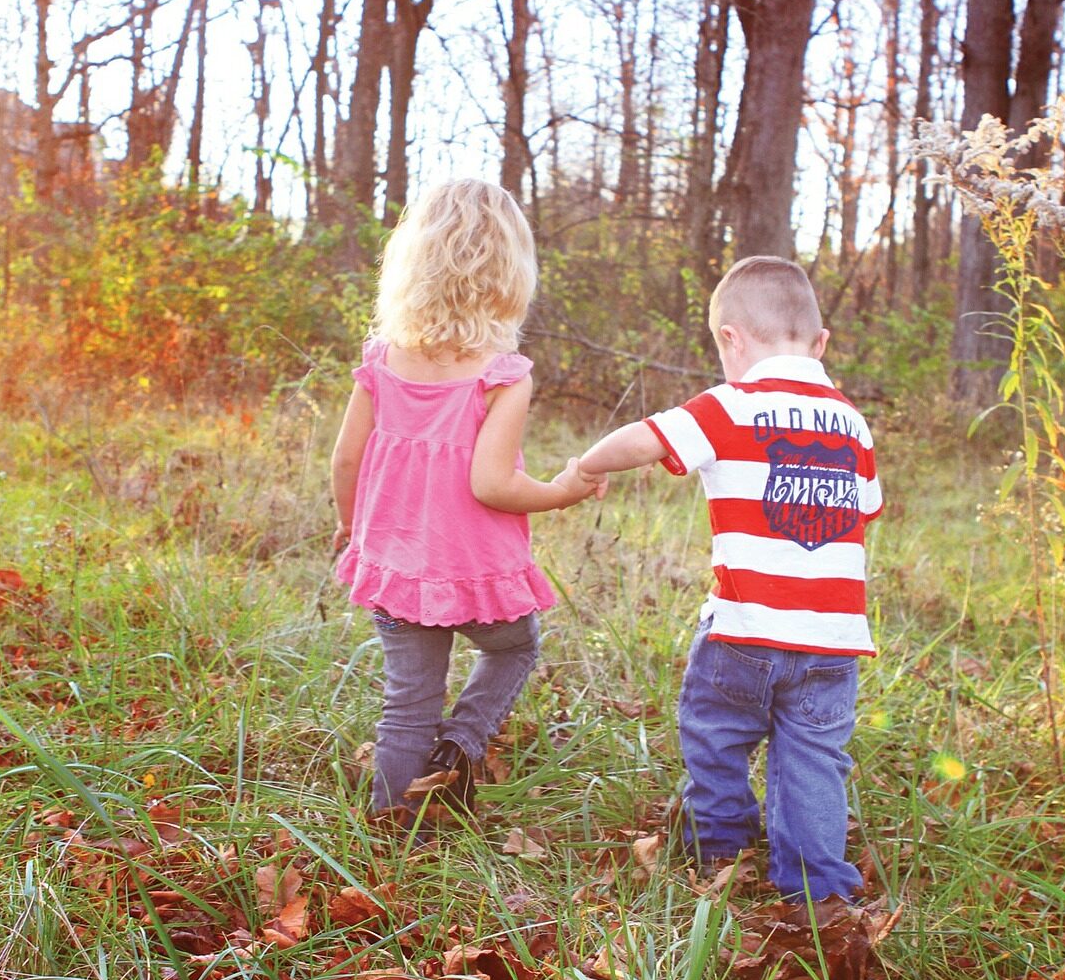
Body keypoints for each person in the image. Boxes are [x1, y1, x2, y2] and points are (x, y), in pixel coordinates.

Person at [574, 255, 881, 902]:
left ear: (730, 339)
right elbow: (867, 507)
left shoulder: (731, 404)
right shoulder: (852, 423)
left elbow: (647, 439)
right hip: (832, 640)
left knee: (715, 734)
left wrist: (588, 464)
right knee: (815, 761)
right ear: (820, 343)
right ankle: (818, 890)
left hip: (743, 627)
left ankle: (720, 849)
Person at [331, 179, 600, 826]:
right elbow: (492, 485)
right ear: (510, 271)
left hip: (396, 567)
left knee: (407, 704)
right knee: (514, 647)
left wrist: (351, 529)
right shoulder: (501, 376)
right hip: (473, 572)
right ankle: (461, 744)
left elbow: (345, 459)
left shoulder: (383, 361)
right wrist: (563, 490)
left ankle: (390, 835)